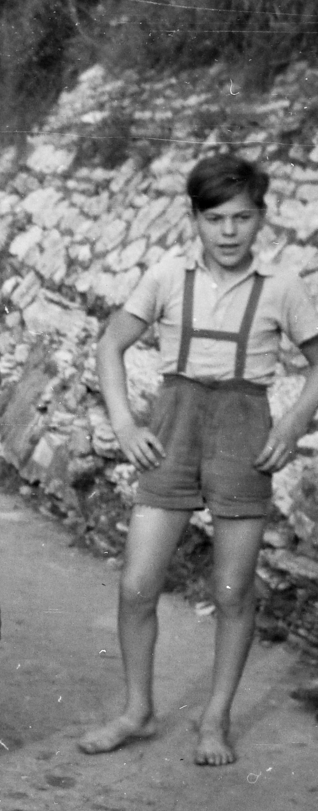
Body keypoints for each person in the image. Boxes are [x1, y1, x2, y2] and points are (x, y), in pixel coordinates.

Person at [79, 153, 318, 766]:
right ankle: (137, 711)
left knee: (233, 590)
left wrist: (292, 425)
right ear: (196, 220)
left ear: (261, 219)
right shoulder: (166, 274)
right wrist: (126, 421)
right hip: (174, 423)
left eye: (242, 218)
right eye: (216, 219)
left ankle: (215, 720)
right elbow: (111, 342)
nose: (230, 232)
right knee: (136, 586)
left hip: (245, 427)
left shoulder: (283, 286)